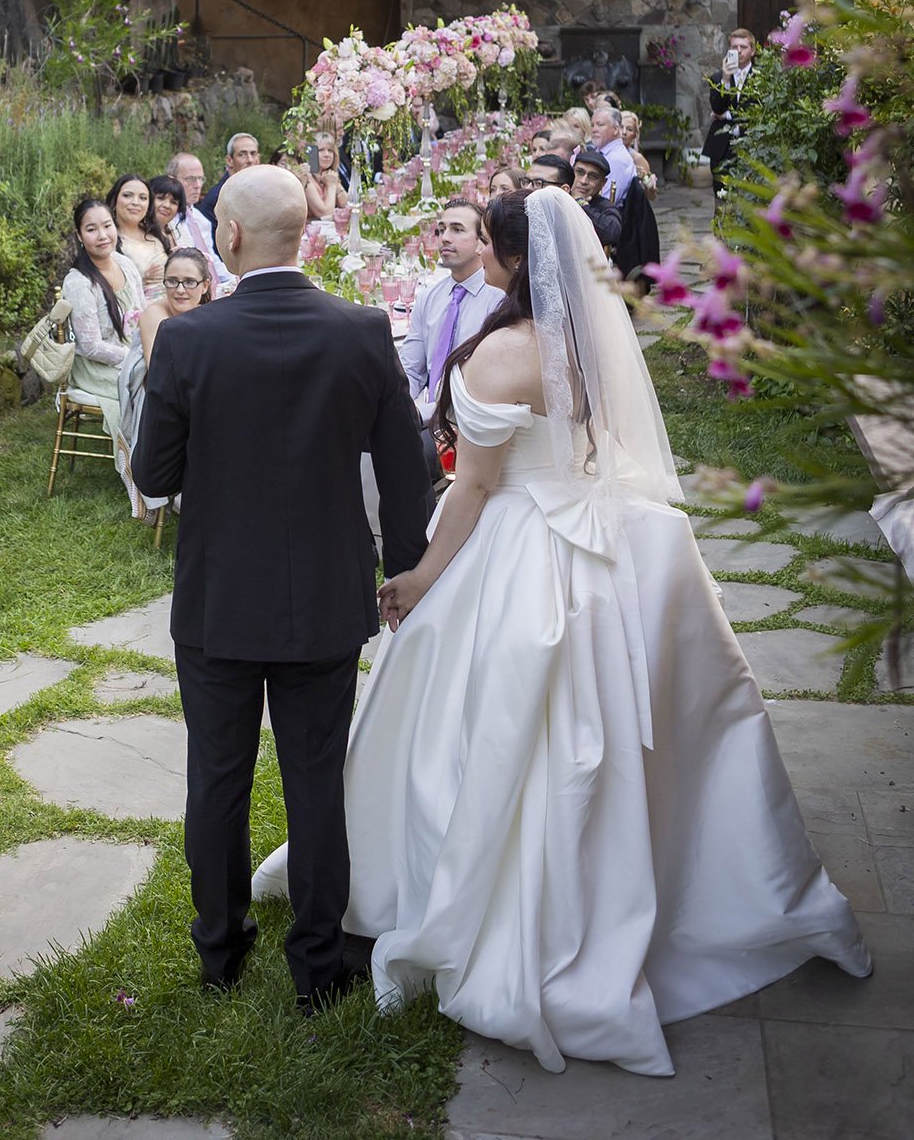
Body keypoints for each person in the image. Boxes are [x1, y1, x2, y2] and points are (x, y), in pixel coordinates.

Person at [253, 188, 870, 1073]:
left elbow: (470, 488)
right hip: (599, 535)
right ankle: (661, 881)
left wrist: (423, 577)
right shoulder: (592, 343)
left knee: (471, 716)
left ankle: (462, 900)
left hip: (514, 542)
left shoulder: (500, 354)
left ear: (508, 258)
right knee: (604, 733)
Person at [132, 166, 431, 1012]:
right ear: (303, 234)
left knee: (216, 779)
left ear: (226, 236)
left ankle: (219, 952)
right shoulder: (363, 329)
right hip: (326, 595)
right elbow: (407, 466)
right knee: (315, 778)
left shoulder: (188, 341)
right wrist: (403, 566)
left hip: (220, 595)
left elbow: (154, 474)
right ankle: (319, 964)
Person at [400, 199, 504, 480]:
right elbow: (410, 368)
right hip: (425, 412)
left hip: (468, 419)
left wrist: (417, 415)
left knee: (408, 454)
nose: (445, 237)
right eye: (441, 229)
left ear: (481, 241)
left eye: (458, 229)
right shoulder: (430, 297)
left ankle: (422, 522)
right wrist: (396, 406)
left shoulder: (498, 300)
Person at [60, 198, 146, 512]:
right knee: (141, 386)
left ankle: (159, 462)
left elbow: (143, 312)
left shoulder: (124, 263)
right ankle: (137, 471)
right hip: (96, 365)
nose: (102, 235)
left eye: (107, 225)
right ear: (80, 236)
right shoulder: (80, 282)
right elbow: (91, 346)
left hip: (132, 350)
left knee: (160, 380)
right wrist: (134, 357)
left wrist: (148, 345)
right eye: (92, 229)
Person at [118, 246, 214, 467]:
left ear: (205, 285)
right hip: (155, 390)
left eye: (189, 282)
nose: (180, 290)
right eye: (172, 281)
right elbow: (158, 370)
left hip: (189, 386)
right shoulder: (155, 314)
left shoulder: (209, 312)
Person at [705, 27, 757, 199]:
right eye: (734, 47)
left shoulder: (762, 78)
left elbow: (754, 112)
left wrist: (727, 116)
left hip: (750, 147)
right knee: (721, 200)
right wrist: (726, 80)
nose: (738, 51)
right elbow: (717, 108)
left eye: (743, 47)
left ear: (753, 51)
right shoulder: (718, 78)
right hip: (722, 148)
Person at [166, 152, 232, 286]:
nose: (197, 185)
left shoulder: (200, 219)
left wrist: (233, 281)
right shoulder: (165, 218)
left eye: (201, 179)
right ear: (171, 180)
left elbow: (212, 261)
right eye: (190, 179)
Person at [106, 174, 171, 298]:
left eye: (143, 198)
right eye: (127, 196)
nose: (135, 202)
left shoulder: (155, 234)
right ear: (114, 200)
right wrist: (142, 279)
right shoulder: (108, 241)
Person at [198, 132, 261, 250]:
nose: (250, 160)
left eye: (253, 154)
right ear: (229, 160)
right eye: (242, 155)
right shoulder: (216, 198)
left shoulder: (261, 191)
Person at [571, 148, 623, 254]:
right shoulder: (559, 195)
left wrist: (581, 203)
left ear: (603, 183)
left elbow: (611, 233)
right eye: (580, 172)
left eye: (593, 177)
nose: (584, 181)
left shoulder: (605, 206)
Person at [590, 99, 636, 206]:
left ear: (616, 129)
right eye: (592, 125)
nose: (594, 129)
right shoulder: (601, 152)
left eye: (600, 125)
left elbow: (606, 200)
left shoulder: (617, 159)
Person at [305, 133, 345, 222]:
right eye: (321, 150)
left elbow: (348, 206)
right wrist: (331, 186)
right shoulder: (307, 178)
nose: (326, 155)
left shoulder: (330, 175)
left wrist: (337, 187)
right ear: (312, 153)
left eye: (330, 150)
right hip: (309, 233)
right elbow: (325, 214)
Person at [621, 111, 656, 191]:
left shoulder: (637, 158)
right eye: (621, 127)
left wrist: (645, 180)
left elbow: (651, 195)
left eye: (629, 129)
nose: (624, 132)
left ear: (635, 135)